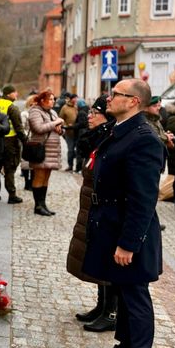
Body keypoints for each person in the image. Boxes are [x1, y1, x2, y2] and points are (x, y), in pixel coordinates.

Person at [83, 78, 165, 348]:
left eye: (117, 94)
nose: (110, 97)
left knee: (135, 294)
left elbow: (144, 198)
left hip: (130, 231)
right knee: (122, 288)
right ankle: (125, 347)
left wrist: (129, 244)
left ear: (133, 101)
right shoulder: (123, 131)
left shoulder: (144, 139)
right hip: (112, 224)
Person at [67, 96, 118, 333]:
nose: (89, 116)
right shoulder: (96, 137)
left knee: (107, 260)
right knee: (97, 255)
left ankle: (111, 311)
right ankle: (101, 305)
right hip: (92, 205)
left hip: (105, 207)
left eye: (94, 113)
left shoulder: (110, 136)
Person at [27, 90, 64, 216]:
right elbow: (39, 128)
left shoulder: (52, 112)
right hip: (40, 149)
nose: (54, 101)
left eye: (54, 99)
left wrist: (60, 129)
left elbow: (57, 128)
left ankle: (43, 204)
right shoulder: (35, 111)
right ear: (42, 100)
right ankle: (37, 206)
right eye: (51, 99)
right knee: (39, 176)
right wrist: (56, 123)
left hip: (52, 150)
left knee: (46, 177)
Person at [0, 85, 27, 204]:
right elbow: (18, 127)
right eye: (14, 92)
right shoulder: (12, 107)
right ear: (8, 94)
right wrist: (25, 141)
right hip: (10, 141)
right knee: (10, 169)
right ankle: (12, 195)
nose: (16, 94)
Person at [20, 94, 37, 191]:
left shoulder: (39, 113)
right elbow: (22, 128)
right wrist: (27, 138)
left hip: (36, 141)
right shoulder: (24, 114)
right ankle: (27, 182)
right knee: (26, 162)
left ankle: (33, 182)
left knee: (35, 162)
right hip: (27, 140)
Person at [59, 93, 79, 171]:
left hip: (77, 132)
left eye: (77, 98)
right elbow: (60, 118)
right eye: (75, 98)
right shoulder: (64, 108)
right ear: (71, 99)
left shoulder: (77, 107)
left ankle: (78, 167)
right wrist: (65, 125)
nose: (76, 100)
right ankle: (70, 165)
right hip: (69, 132)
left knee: (78, 150)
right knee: (70, 150)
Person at [72, 99, 90, 172]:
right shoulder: (87, 110)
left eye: (77, 104)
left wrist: (73, 126)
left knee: (79, 152)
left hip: (81, 134)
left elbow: (81, 124)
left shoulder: (81, 112)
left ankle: (78, 168)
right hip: (85, 133)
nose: (76, 106)